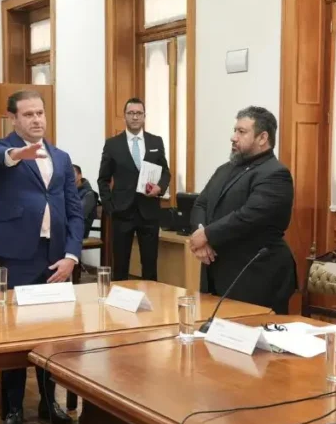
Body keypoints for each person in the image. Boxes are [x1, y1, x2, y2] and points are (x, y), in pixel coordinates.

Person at [0, 90, 83, 424]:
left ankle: (47, 400)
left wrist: (71, 256)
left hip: (55, 258)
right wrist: (17, 154)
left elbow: (73, 210)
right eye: (28, 115)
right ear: (13, 118)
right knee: (16, 334)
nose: (37, 120)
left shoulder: (62, 158)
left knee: (50, 334)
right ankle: (12, 407)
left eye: (40, 113)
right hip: (17, 256)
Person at [190, 106, 297, 314]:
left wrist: (207, 235)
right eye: (235, 130)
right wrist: (201, 236)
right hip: (216, 272)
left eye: (241, 131)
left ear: (262, 137)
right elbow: (200, 204)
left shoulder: (275, 174)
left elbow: (249, 216)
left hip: (256, 276)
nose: (233, 137)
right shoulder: (224, 169)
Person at [98, 98, 170, 280]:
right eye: (131, 113)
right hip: (122, 212)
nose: (135, 117)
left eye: (139, 113)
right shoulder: (113, 144)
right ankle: (118, 303)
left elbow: (166, 172)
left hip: (149, 211)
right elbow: (103, 179)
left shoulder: (156, 142)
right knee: (121, 264)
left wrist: (160, 188)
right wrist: (109, 206)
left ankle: (151, 301)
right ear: (125, 117)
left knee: (150, 263)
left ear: (144, 116)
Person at [73, 165, 99, 239]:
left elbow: (79, 214)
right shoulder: (68, 191)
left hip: (78, 232)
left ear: (80, 176)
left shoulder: (89, 194)